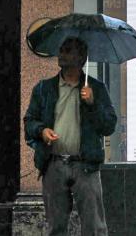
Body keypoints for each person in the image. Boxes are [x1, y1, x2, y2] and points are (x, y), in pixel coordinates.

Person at [24, 37, 117, 236]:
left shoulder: (96, 88)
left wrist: (93, 103)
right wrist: (42, 131)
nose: (62, 54)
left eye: (68, 50)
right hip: (54, 164)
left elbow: (109, 126)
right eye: (61, 49)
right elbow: (29, 121)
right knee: (56, 227)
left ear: (81, 57)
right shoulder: (44, 88)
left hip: (86, 166)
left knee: (94, 227)